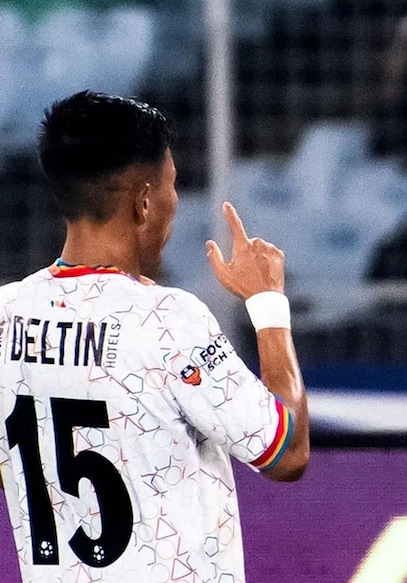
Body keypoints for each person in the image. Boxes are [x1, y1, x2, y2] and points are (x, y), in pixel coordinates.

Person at [0, 91, 310, 582]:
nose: (176, 201)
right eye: (172, 185)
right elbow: (286, 452)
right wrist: (267, 303)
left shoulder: (6, 313)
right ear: (144, 202)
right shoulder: (166, 319)